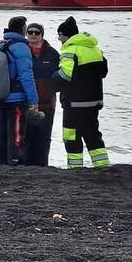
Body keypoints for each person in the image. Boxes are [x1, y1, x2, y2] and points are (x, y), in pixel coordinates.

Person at [52, 16, 110, 169]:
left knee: (71, 136)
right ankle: (102, 165)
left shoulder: (70, 51)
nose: (59, 38)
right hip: (93, 101)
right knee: (93, 134)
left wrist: (50, 80)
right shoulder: (95, 49)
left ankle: (75, 168)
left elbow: (65, 76)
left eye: (60, 35)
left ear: (67, 35)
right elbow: (103, 72)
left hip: (74, 103)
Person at [0, 15, 40, 166]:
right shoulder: (21, 47)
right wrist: (34, 100)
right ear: (23, 29)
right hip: (16, 99)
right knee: (17, 131)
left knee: (0, 131)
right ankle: (15, 161)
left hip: (0, 96)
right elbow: (26, 75)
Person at [24, 22, 60, 166]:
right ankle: (26, 164)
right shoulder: (23, 51)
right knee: (27, 135)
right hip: (27, 102)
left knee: (44, 136)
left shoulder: (52, 53)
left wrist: (52, 89)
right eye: (30, 32)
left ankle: (42, 164)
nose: (33, 35)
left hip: (47, 101)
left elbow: (61, 74)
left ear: (42, 35)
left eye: (36, 32)